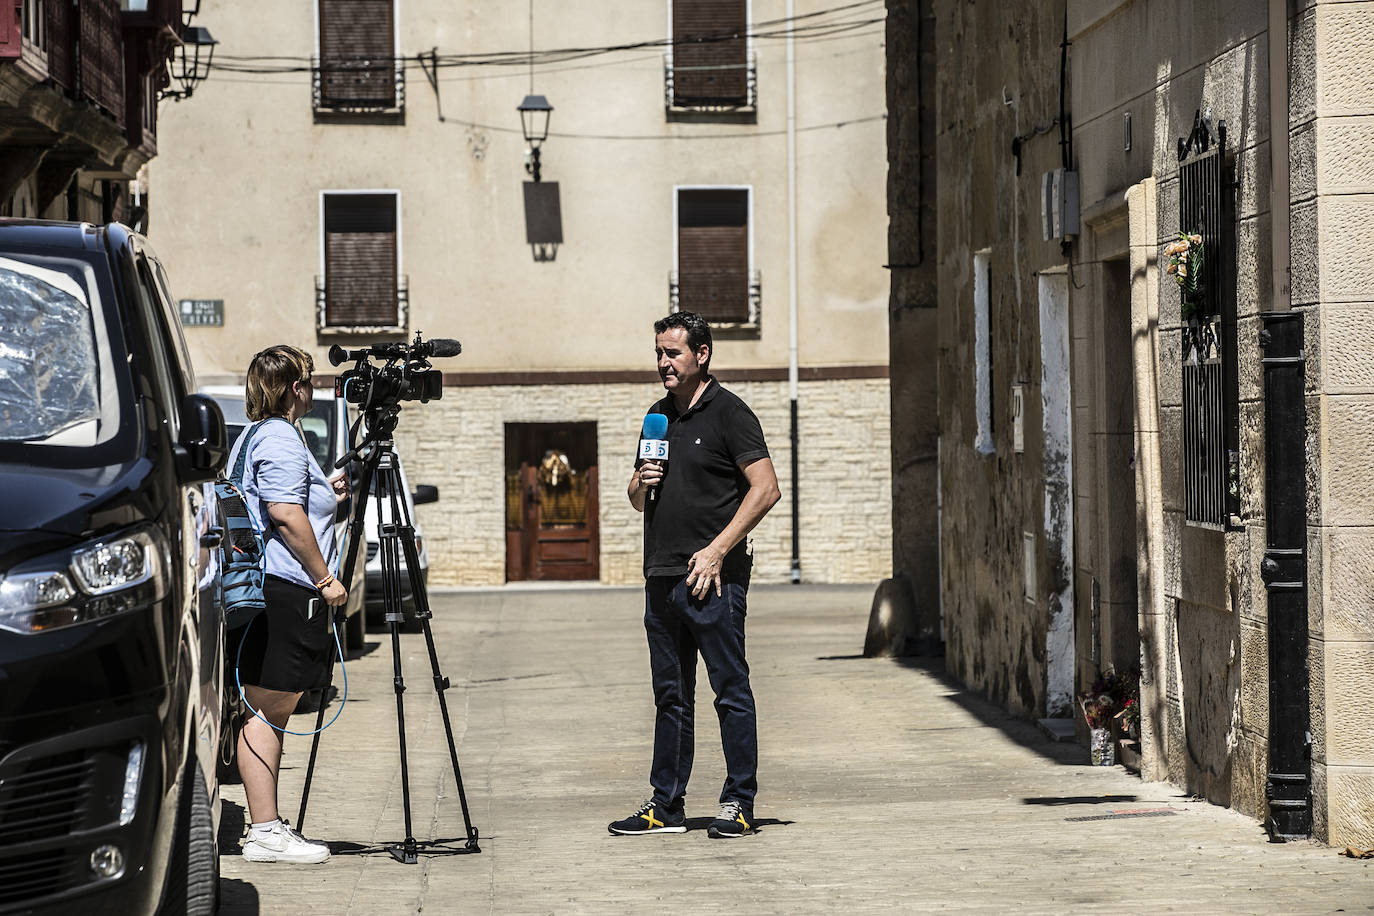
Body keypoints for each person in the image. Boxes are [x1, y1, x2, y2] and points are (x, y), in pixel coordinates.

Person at [609, 311, 781, 839]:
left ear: (701, 354)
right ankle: (666, 804)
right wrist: (640, 480)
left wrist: (716, 552)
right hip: (661, 576)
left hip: (714, 578)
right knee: (670, 695)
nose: (663, 362)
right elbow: (639, 501)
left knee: (729, 689)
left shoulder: (730, 413)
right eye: (659, 353)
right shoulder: (655, 417)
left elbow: (766, 488)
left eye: (673, 353)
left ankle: (739, 803)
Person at [228, 345, 350, 864]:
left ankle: (266, 827)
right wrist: (325, 579)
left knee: (265, 706)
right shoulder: (280, 435)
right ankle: (265, 831)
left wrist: (327, 490)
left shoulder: (257, 435)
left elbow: (287, 501)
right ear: (295, 387)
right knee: (269, 708)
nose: (315, 387)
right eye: (310, 380)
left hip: (270, 589)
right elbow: (282, 512)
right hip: (287, 589)